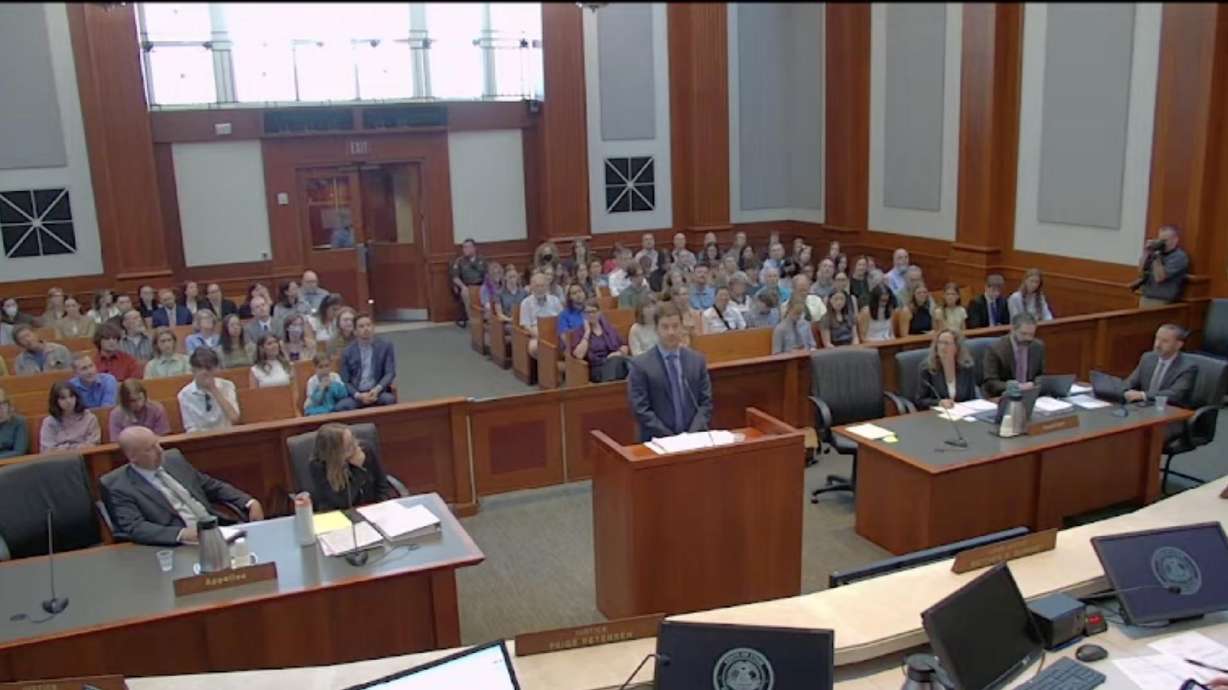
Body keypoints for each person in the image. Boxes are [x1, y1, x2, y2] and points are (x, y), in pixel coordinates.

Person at [100, 426, 263, 546]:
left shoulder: (174, 460)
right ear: (132, 457)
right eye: (150, 449)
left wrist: (248, 502)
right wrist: (181, 534)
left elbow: (211, 485)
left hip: (218, 531)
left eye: (157, 444)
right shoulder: (119, 486)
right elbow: (136, 527)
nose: (160, 451)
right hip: (179, 545)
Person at [627, 301, 713, 442]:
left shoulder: (697, 361)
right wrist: (671, 438)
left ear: (682, 328)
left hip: (694, 439)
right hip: (657, 441)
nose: (671, 332)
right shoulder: (641, 365)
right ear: (656, 329)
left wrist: (691, 435)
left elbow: (705, 403)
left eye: (675, 326)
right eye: (665, 327)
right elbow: (641, 409)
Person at [308, 423, 397, 512]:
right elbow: (343, 502)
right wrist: (357, 469)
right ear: (335, 452)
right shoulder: (318, 465)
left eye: (353, 439)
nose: (355, 446)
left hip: (371, 509)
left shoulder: (366, 450)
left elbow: (382, 486)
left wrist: (380, 506)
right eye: (349, 446)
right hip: (340, 513)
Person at [1122, 324, 1198, 408]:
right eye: (1157, 338)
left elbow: (1175, 395)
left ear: (1178, 345)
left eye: (1165, 341)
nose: (1157, 345)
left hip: (1170, 409)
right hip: (1144, 407)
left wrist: (1143, 395)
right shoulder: (1148, 358)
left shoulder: (1187, 367)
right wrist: (1122, 392)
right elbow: (1130, 382)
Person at [338, 314, 396, 410]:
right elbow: (345, 381)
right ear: (355, 331)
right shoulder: (347, 352)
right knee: (342, 406)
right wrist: (358, 395)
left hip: (377, 391)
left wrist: (377, 389)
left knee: (389, 400)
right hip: (357, 393)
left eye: (368, 325)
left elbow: (390, 373)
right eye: (361, 326)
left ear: (373, 328)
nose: (366, 329)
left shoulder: (385, 346)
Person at [177, 348, 241, 433]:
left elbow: (234, 418)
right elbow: (190, 428)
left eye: (208, 368)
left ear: (215, 369)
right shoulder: (184, 394)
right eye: (200, 368)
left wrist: (214, 389)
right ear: (193, 370)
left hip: (226, 434)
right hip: (200, 438)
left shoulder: (227, 386)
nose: (204, 372)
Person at [982, 313, 1046, 397]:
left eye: (1031, 334)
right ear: (1013, 330)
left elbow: (1041, 375)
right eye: (1024, 334)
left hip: (1030, 395)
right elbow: (990, 383)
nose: (1028, 338)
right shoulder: (995, 349)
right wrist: (1013, 387)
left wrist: (1035, 384)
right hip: (1004, 396)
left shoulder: (1038, 346)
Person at [569, 298, 631, 383]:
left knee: (628, 362)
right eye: (587, 312)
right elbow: (579, 355)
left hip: (614, 362)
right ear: (583, 315)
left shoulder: (608, 328)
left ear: (599, 312)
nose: (591, 315)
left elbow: (624, 346)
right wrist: (587, 332)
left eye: (594, 311)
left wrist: (618, 353)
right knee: (617, 365)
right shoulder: (579, 331)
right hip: (596, 368)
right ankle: (610, 387)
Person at [918, 329, 980, 410]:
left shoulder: (967, 367)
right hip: (938, 413)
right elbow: (920, 400)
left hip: (963, 412)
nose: (942, 347)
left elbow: (972, 397)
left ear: (957, 347)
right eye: (940, 343)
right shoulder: (927, 368)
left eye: (946, 343)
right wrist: (939, 402)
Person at [1136, 225, 1190, 308]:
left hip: (1162, 301)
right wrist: (1146, 252)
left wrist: (1156, 257)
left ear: (1175, 240)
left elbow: (1160, 278)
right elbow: (1140, 271)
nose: (1162, 244)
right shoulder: (1157, 253)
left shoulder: (1179, 257)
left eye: (1165, 240)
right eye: (1160, 240)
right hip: (1146, 296)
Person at [40, 382, 101, 450]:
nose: (68, 401)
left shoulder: (89, 418)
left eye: (71, 396)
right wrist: (75, 448)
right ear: (55, 401)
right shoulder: (49, 422)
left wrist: (65, 448)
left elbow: (94, 444)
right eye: (63, 398)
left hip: (85, 455)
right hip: (59, 456)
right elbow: (47, 449)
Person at [519, 272, 564, 357]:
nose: (540, 289)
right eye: (537, 286)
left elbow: (563, 319)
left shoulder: (555, 300)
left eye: (542, 286)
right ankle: (546, 364)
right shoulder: (525, 303)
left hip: (555, 333)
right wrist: (541, 336)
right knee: (535, 347)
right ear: (531, 287)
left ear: (547, 287)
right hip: (536, 335)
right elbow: (526, 326)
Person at [450, 238, 487, 328]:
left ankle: (486, 319)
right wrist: (463, 286)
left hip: (481, 285)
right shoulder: (459, 261)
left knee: (488, 292)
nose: (465, 249)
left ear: (474, 248)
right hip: (467, 286)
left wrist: (485, 286)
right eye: (464, 247)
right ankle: (473, 320)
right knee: (465, 293)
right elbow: (455, 278)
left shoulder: (482, 260)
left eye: (468, 247)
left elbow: (488, 274)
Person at [305, 352, 349, 416]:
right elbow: (313, 402)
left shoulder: (335, 376)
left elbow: (343, 394)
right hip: (320, 408)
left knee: (344, 405)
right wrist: (321, 389)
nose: (324, 370)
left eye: (327, 366)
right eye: (320, 367)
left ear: (330, 366)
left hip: (336, 405)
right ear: (315, 368)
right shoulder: (312, 381)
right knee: (310, 411)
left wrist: (333, 386)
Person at [0, 388, 29, 458]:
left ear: (8, 405)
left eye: (2, 404)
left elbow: (19, 452)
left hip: (12, 462)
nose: (0, 408)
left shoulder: (19, 422)